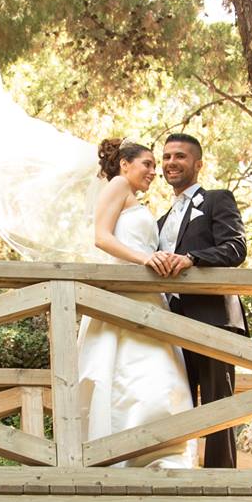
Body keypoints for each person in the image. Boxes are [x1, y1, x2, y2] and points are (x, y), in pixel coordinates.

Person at [78, 139, 197, 469]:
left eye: (154, 166)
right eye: (147, 163)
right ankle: (126, 457)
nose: (153, 171)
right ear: (124, 164)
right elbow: (102, 237)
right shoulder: (118, 185)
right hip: (123, 297)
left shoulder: (135, 201)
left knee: (157, 374)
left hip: (148, 298)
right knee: (127, 374)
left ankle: (158, 454)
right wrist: (146, 259)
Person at [150, 133, 248, 468]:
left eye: (180, 156)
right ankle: (183, 475)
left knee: (219, 406)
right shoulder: (160, 221)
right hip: (170, 323)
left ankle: (222, 482)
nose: (171, 163)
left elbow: (236, 248)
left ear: (198, 164)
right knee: (177, 403)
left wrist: (192, 258)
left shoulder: (217, 200)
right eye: (166, 157)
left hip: (213, 318)